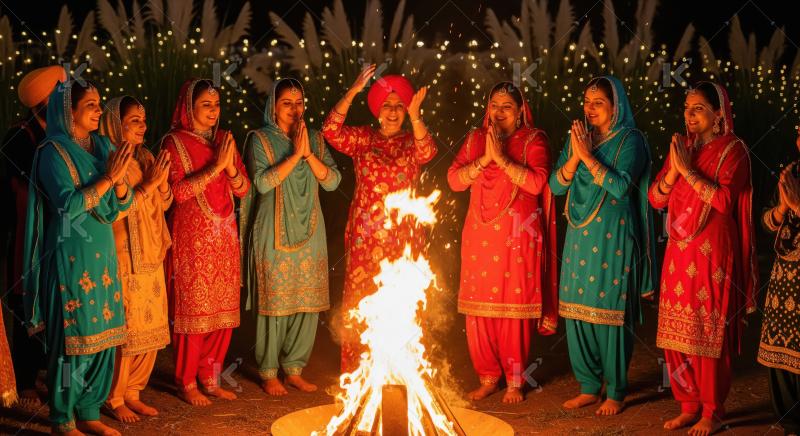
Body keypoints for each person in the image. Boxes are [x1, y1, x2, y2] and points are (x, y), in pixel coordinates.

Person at [24, 78, 134, 435]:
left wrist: (118, 182)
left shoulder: (101, 143)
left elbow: (122, 204)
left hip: (102, 252)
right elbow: (68, 206)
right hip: (69, 254)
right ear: (67, 111)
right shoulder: (51, 152)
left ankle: (89, 412)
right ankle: (63, 418)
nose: (99, 110)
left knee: (104, 334)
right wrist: (108, 177)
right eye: (90, 105)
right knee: (73, 341)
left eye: (99, 103)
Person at [650, 81, 757, 436]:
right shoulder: (683, 147)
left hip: (713, 251)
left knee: (708, 334)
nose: (689, 115)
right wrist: (675, 169)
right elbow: (656, 198)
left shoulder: (734, 150)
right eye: (686, 108)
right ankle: (688, 405)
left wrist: (689, 172)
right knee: (676, 333)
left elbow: (726, 202)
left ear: (718, 113)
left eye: (698, 108)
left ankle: (713, 410)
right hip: (678, 250)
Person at [549, 76, 657, 416]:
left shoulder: (631, 140)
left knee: (610, 312)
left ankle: (617, 390)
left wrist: (586, 156)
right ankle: (589, 387)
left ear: (616, 106)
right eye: (586, 101)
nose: (590, 108)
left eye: (598, 102)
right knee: (577, 310)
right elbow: (555, 186)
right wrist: (575, 155)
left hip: (614, 233)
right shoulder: (580, 139)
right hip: (580, 234)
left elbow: (621, 187)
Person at [447, 81, 558, 404]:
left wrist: (503, 160)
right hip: (479, 235)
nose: (498, 112)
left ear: (520, 111)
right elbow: (454, 180)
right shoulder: (475, 139)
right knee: (478, 311)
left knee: (512, 312)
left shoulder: (534, 140)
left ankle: (514, 381)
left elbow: (538, 183)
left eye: (506, 106)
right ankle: (487, 377)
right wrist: (485, 159)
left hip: (518, 235)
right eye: (494, 105)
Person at [322, 66, 436, 373]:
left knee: (401, 306)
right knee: (362, 304)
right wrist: (354, 91)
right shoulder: (363, 138)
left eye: (400, 106)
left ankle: (399, 373)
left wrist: (416, 116)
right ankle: (359, 379)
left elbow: (428, 151)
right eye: (388, 105)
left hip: (404, 240)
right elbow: (330, 131)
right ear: (377, 110)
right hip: (365, 238)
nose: (394, 111)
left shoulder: (412, 141)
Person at [241, 78, 341, 396]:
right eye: (287, 102)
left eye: (299, 103)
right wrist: (295, 156)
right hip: (272, 231)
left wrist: (308, 154)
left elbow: (333, 182)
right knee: (275, 302)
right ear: (274, 106)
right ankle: (269, 371)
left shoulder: (315, 139)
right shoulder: (259, 139)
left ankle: (295, 368)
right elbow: (262, 183)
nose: (294, 109)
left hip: (311, 230)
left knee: (307, 304)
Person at [162, 78, 250, 406]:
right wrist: (217, 168)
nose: (214, 111)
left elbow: (243, 189)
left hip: (224, 234)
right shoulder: (173, 143)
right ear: (189, 108)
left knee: (223, 311)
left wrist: (229, 169)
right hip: (192, 238)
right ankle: (186, 381)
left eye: (217, 105)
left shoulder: (225, 139)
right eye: (206, 105)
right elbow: (178, 194)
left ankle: (210, 378)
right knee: (194, 311)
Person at [99, 96, 172, 422]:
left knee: (151, 326)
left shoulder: (145, 156)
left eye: (143, 120)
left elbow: (164, 204)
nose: (143, 126)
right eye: (134, 121)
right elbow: (118, 209)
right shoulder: (109, 160)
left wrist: (162, 184)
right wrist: (150, 185)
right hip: (124, 251)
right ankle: (114, 397)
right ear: (116, 123)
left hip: (152, 250)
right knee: (127, 328)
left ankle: (134, 391)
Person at [2, 65, 65, 408]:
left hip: (57, 231)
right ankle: (25, 378)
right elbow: (20, 187)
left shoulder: (60, 134)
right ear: (42, 103)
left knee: (54, 299)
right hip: (28, 233)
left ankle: (45, 371)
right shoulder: (19, 135)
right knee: (28, 300)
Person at [760, 126, 800, 436]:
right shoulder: (792, 172)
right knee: (781, 352)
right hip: (784, 279)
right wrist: (784, 207)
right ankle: (788, 422)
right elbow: (766, 221)